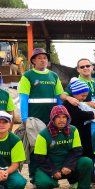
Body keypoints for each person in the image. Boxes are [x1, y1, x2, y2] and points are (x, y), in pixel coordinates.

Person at [32, 105, 95, 189]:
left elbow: (77, 151)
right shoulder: (43, 134)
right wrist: (53, 171)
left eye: (64, 117)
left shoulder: (73, 130)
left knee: (87, 162)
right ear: (52, 118)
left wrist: (69, 165)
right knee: (43, 182)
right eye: (58, 117)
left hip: (69, 166)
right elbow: (40, 158)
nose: (61, 120)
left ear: (68, 118)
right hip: (51, 166)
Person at [19, 47, 64, 182]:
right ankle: (34, 178)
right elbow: (23, 98)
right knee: (34, 148)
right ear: (33, 61)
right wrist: (25, 119)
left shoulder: (53, 76)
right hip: (34, 119)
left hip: (51, 119)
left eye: (44, 58)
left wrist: (61, 115)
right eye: (39, 58)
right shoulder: (28, 76)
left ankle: (51, 175)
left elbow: (59, 98)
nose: (43, 60)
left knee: (51, 147)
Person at [63, 78, 95, 162]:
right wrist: (91, 115)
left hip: (88, 134)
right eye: (82, 96)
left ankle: (91, 172)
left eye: (86, 95)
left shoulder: (83, 102)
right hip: (78, 134)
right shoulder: (68, 103)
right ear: (75, 94)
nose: (84, 98)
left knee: (90, 153)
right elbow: (77, 114)